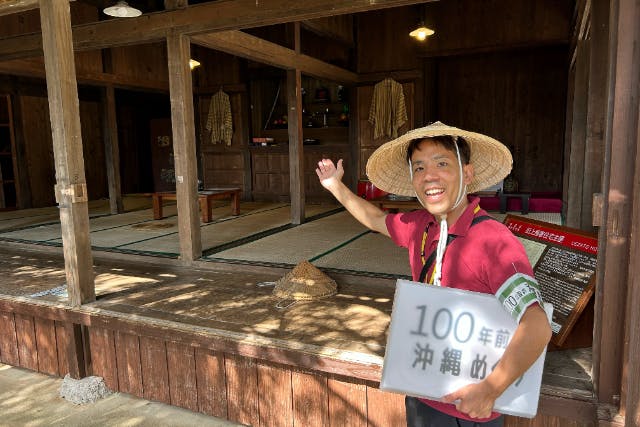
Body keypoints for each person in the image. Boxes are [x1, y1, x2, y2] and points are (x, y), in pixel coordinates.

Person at [315, 121, 552, 427]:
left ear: (467, 174)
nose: (429, 176)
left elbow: (536, 324)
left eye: (442, 163)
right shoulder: (419, 226)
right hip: (423, 393)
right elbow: (376, 219)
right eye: (419, 168)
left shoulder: (494, 241)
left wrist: (490, 389)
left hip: (472, 408)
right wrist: (335, 185)